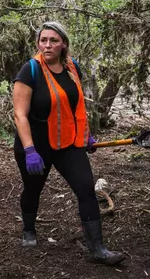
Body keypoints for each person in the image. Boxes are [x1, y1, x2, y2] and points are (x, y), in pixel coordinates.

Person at [12, 21, 125, 265]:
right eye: (43, 40)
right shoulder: (29, 71)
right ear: (37, 43)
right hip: (35, 146)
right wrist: (30, 150)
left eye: (53, 40)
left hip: (67, 144)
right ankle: (29, 230)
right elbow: (20, 114)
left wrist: (86, 135)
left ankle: (97, 249)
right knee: (33, 189)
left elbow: (76, 108)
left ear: (64, 44)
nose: (47, 45)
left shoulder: (73, 69)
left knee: (86, 189)